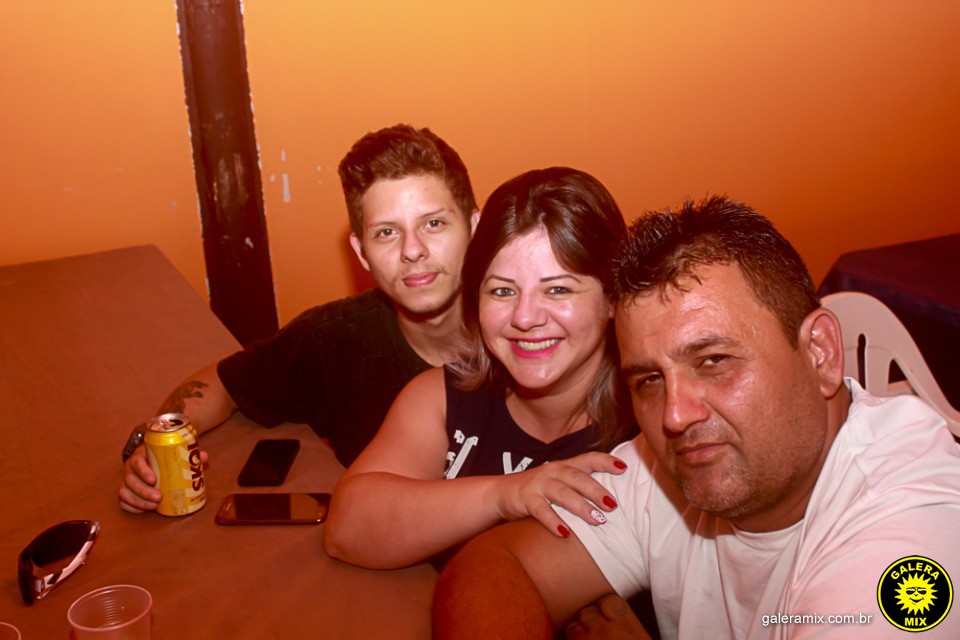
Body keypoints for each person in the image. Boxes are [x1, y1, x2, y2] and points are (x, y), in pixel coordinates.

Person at [433, 196, 960, 639]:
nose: (675, 415)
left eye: (713, 361)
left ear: (819, 352)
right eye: (649, 380)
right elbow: (493, 566)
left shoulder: (911, 531)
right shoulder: (666, 469)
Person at [119, 124, 480, 513]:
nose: (412, 250)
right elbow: (221, 385)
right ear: (361, 252)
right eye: (387, 232)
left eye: (434, 224)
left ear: (474, 229)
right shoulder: (334, 340)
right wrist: (149, 450)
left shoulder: (523, 336)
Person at [322, 167, 638, 569]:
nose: (525, 317)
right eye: (502, 291)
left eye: (558, 289)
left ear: (612, 298)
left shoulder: (652, 424)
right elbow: (347, 529)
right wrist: (505, 494)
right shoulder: (441, 397)